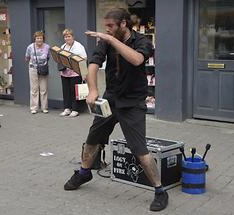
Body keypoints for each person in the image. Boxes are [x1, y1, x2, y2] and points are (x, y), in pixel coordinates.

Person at [63, 8, 168, 212]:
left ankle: (160, 191)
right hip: (110, 100)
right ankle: (85, 172)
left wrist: (111, 40)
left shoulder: (142, 41)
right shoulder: (106, 41)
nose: (107, 30)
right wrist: (93, 90)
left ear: (123, 24)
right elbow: (93, 65)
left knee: (140, 150)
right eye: (106, 27)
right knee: (92, 139)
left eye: (111, 26)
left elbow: (137, 59)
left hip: (133, 103)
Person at [59, 28, 87, 117]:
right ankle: (67, 108)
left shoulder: (79, 46)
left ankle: (75, 109)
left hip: (75, 73)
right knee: (66, 91)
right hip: (65, 73)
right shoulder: (63, 46)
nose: (67, 38)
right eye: (65, 37)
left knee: (74, 92)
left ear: (72, 37)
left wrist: (84, 74)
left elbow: (84, 60)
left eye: (68, 36)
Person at [25, 31, 50, 114]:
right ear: (35, 39)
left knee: (44, 89)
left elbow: (48, 57)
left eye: (41, 38)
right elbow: (27, 57)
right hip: (33, 69)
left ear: (43, 39)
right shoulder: (30, 47)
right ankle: (34, 108)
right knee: (34, 89)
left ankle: (44, 107)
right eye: (37, 38)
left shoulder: (47, 47)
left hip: (43, 69)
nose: (39, 40)